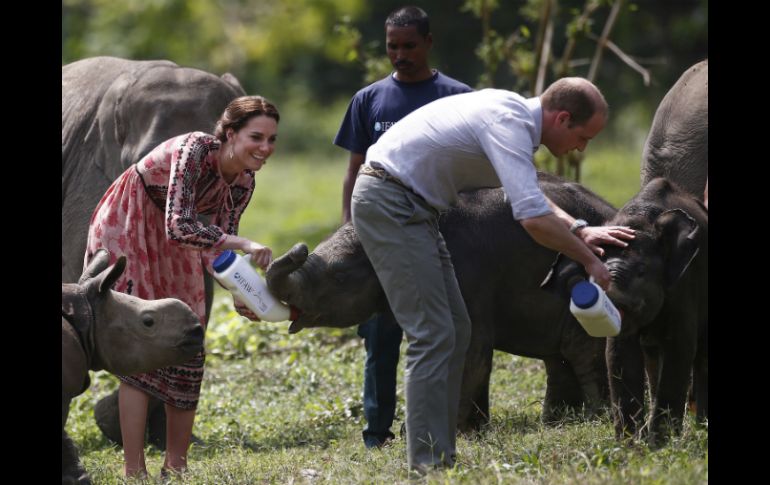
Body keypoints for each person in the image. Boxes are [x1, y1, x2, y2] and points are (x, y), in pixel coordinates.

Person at [350, 78, 636, 473]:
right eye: (583, 137)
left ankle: (439, 453)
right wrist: (589, 260)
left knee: (456, 327)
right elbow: (532, 219)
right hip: (390, 200)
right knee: (432, 332)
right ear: (563, 118)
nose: (582, 148)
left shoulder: (513, 118)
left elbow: (531, 197)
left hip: (416, 208)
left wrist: (579, 229)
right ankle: (428, 466)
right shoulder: (508, 122)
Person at [83, 95, 277, 478]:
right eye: (257, 137)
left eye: (272, 140)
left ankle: (177, 466)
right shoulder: (195, 149)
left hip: (174, 241)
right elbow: (181, 224)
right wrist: (244, 244)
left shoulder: (243, 182)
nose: (265, 148)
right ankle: (133, 470)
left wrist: (243, 292)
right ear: (230, 134)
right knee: (142, 341)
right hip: (129, 224)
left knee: (188, 339)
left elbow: (217, 252)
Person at [334, 5, 473, 450]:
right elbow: (355, 170)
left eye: (409, 46)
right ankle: (377, 432)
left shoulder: (455, 96)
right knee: (381, 333)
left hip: (438, 227)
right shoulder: (369, 99)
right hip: (380, 230)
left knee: (443, 329)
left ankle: (436, 426)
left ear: (429, 43)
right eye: (392, 46)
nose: (400, 55)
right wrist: (349, 232)